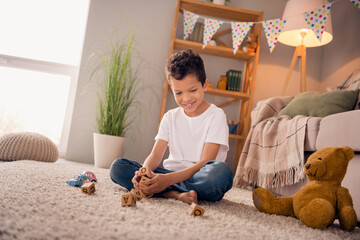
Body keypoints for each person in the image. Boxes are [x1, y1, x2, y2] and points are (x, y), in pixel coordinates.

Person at [110, 49, 233, 204]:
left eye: (193, 90)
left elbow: (205, 162)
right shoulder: (170, 117)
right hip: (169, 173)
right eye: (178, 93)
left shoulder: (216, 115)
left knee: (222, 174)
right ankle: (175, 194)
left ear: (205, 85)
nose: (186, 98)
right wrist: (145, 172)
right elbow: (155, 156)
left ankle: (163, 190)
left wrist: (166, 180)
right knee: (118, 167)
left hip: (199, 176)